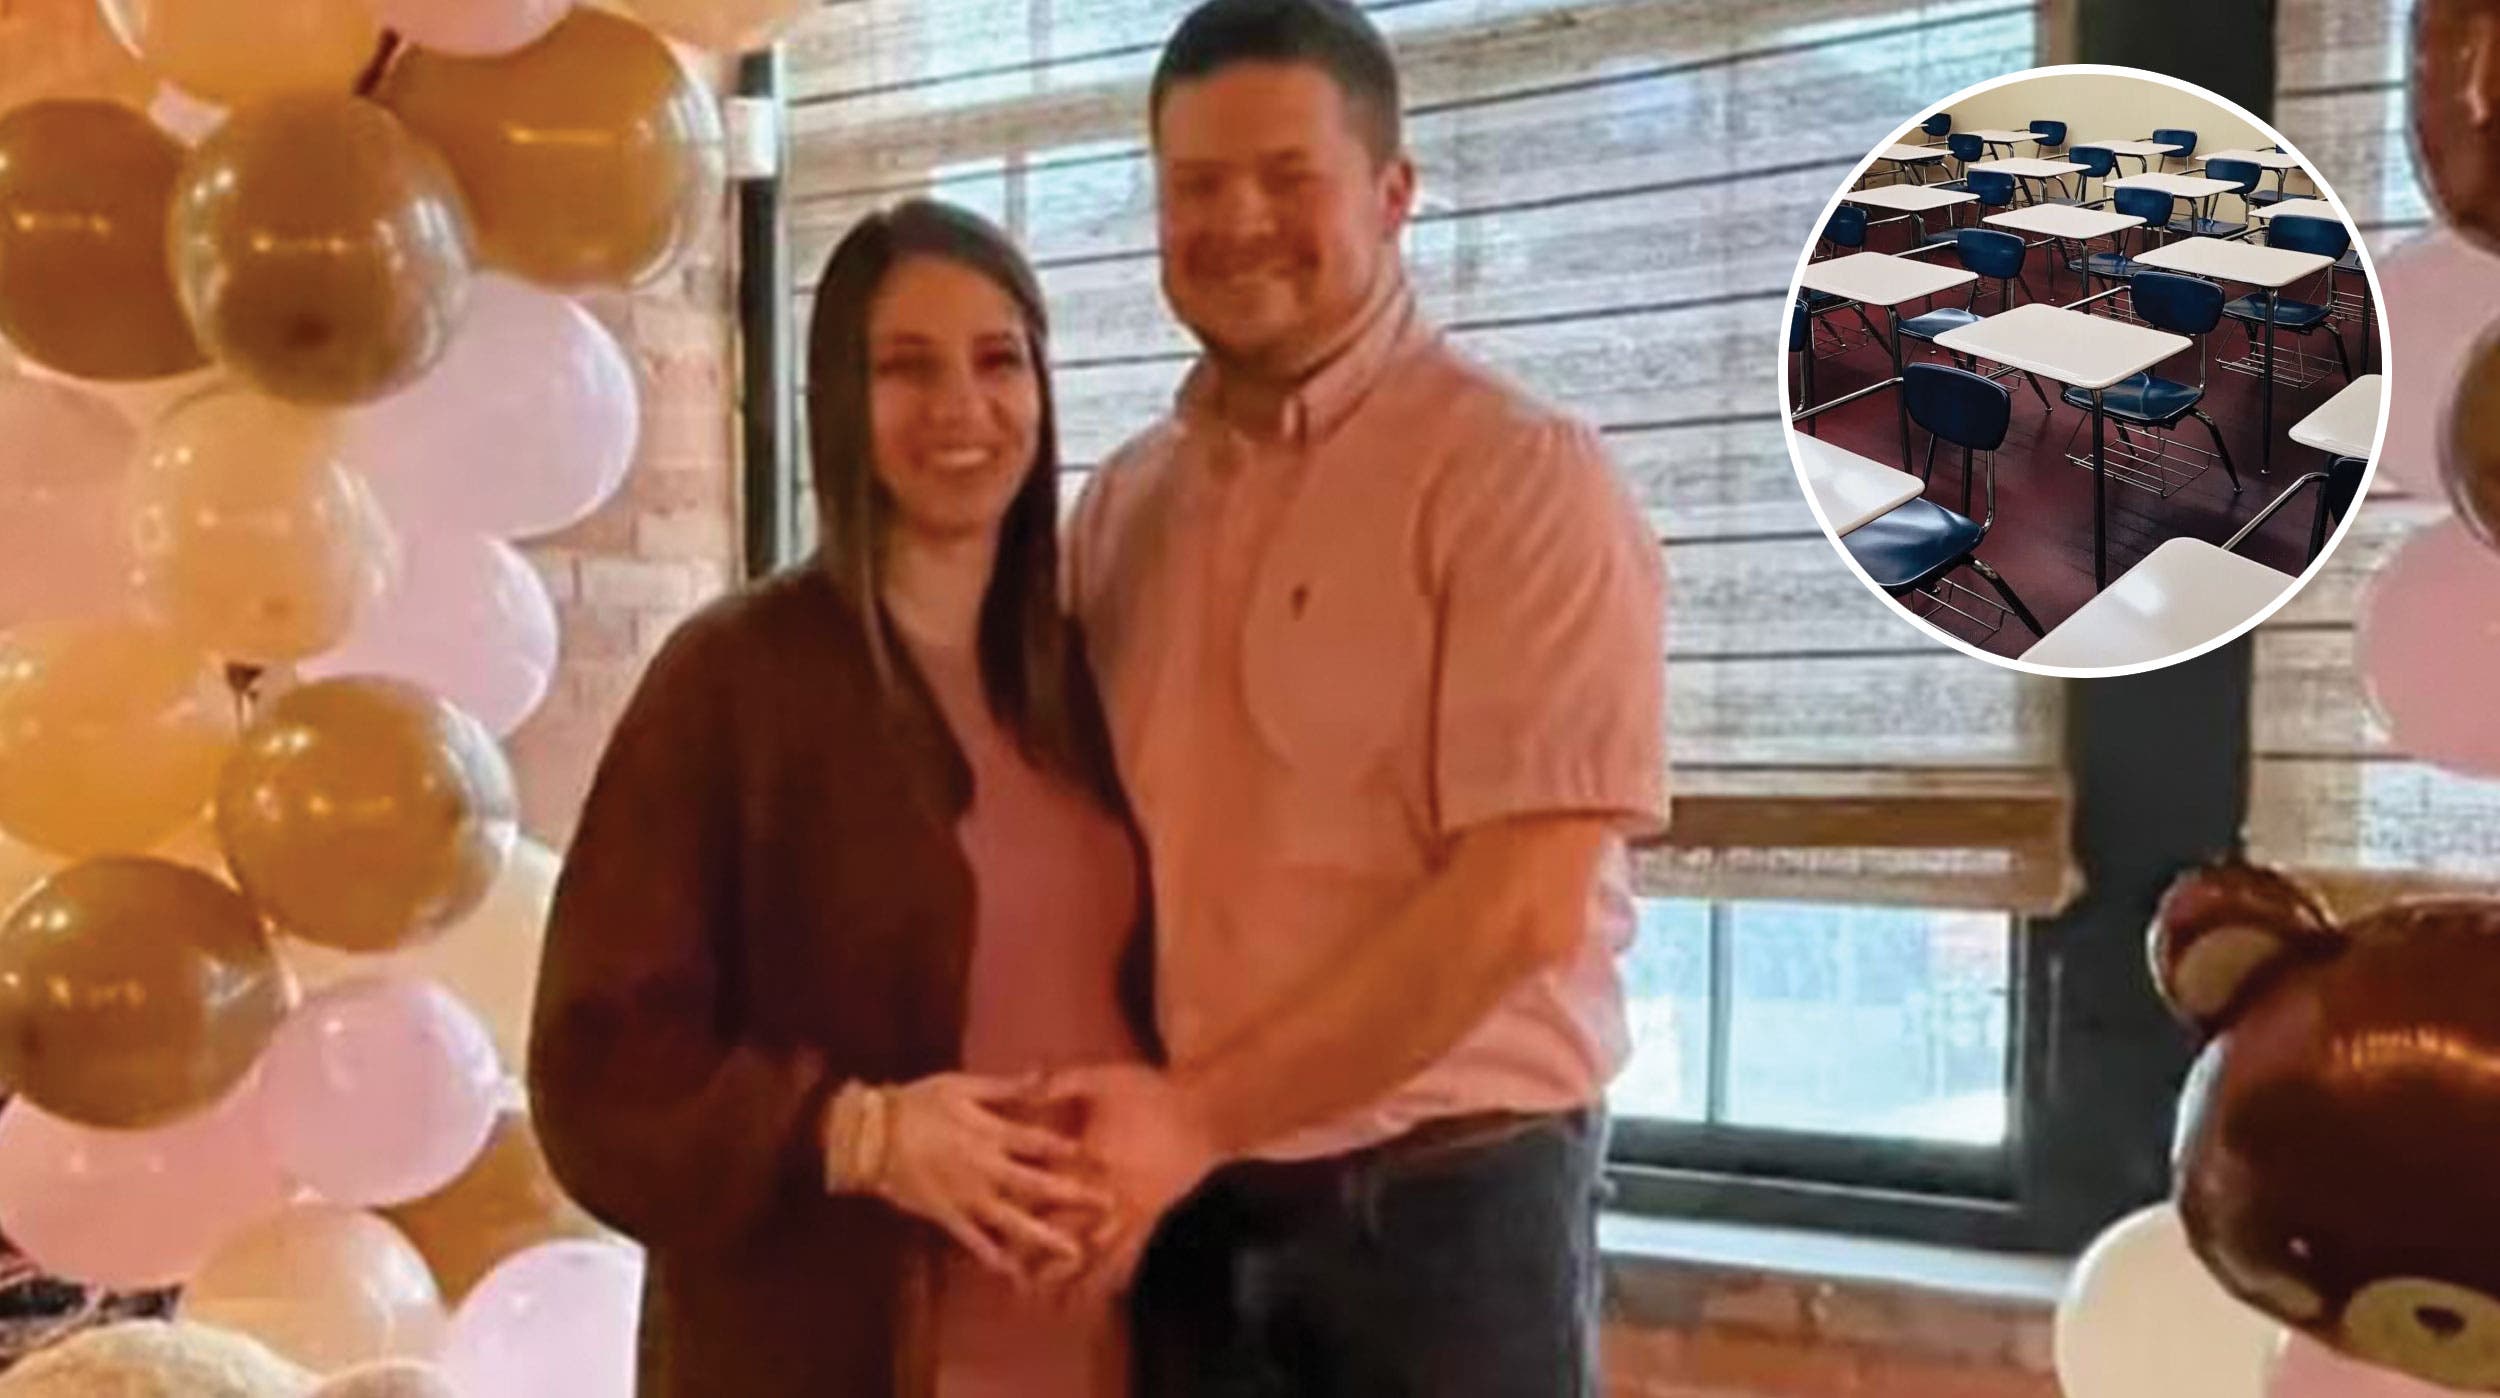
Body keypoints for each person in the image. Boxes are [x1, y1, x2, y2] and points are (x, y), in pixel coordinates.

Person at [1052, 0, 1669, 1391]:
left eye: (1288, 176)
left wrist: (1194, 1118)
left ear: (1394, 195)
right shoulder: (1125, 506)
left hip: (1445, 1223)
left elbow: (1521, 906)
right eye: (1197, 185)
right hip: (1192, 1215)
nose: (1238, 221)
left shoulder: (1519, 478)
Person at [528, 199, 1154, 1398]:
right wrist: (858, 1134)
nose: (961, 406)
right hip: (828, 1354)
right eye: (905, 367)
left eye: (998, 360)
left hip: (1102, 1345)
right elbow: (595, 1070)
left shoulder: (1089, 676)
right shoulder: (732, 680)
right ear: (835, 403)